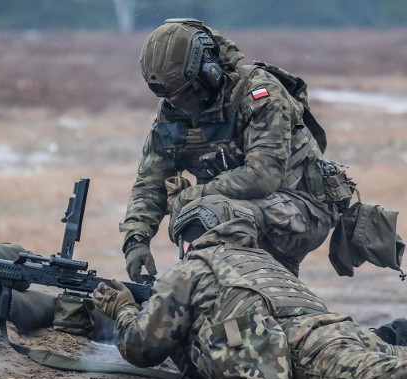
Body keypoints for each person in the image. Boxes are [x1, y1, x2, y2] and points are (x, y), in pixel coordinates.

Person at [120, 18, 347, 282]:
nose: (178, 104)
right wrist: (136, 239)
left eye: (185, 94)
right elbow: (151, 180)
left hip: (303, 211)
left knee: (206, 214)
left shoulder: (260, 93)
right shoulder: (173, 111)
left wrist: (192, 195)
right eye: (171, 97)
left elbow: (262, 176)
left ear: (208, 71)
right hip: (244, 211)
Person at [96, 196, 407, 379]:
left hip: (309, 351)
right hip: (347, 331)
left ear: (190, 236)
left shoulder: (193, 266)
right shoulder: (264, 260)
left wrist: (122, 307)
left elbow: (141, 347)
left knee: (390, 376)